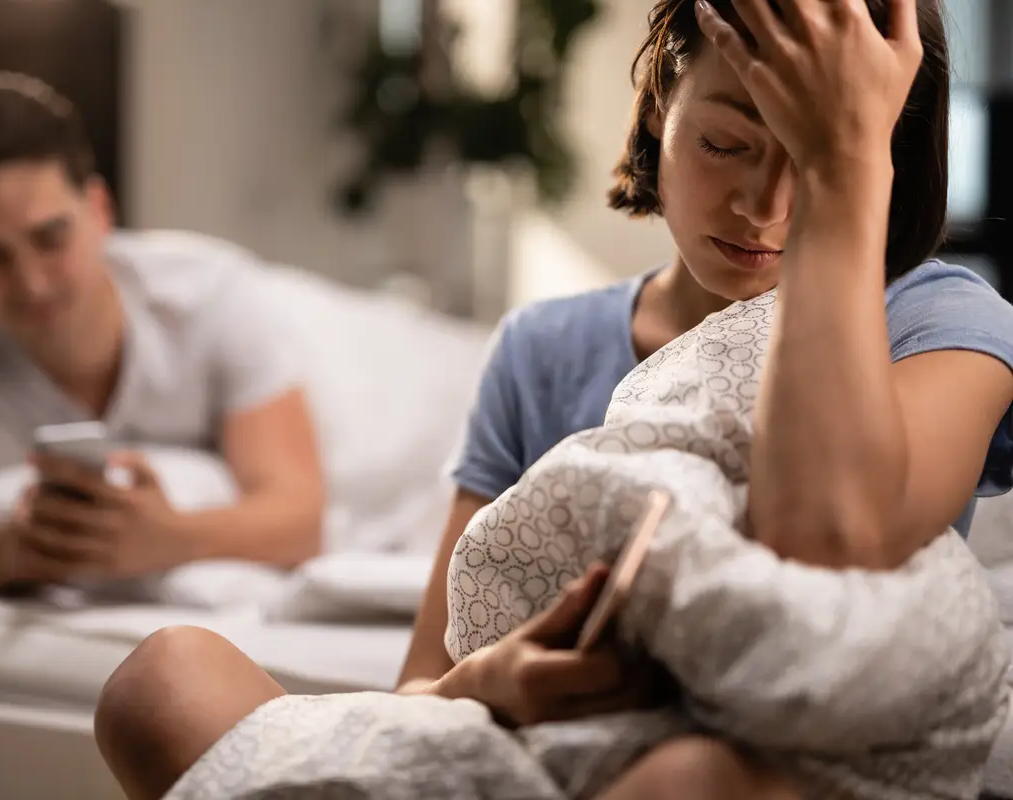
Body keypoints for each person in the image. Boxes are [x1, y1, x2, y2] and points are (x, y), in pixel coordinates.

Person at [94, 1, 1013, 798]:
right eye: (726, 143)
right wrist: (494, 681)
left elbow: (833, 534)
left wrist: (847, 161)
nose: (764, 208)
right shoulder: (544, 348)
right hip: (520, 746)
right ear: (662, 102)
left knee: (687, 780)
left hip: (763, 763)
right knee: (164, 679)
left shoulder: (943, 321)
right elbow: (421, 693)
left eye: (810, 160)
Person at [0, 72, 325, 590]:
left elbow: (301, 521)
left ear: (99, 210)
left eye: (50, 239)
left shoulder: (210, 297)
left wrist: (174, 538)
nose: (31, 284)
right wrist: (2, 555)